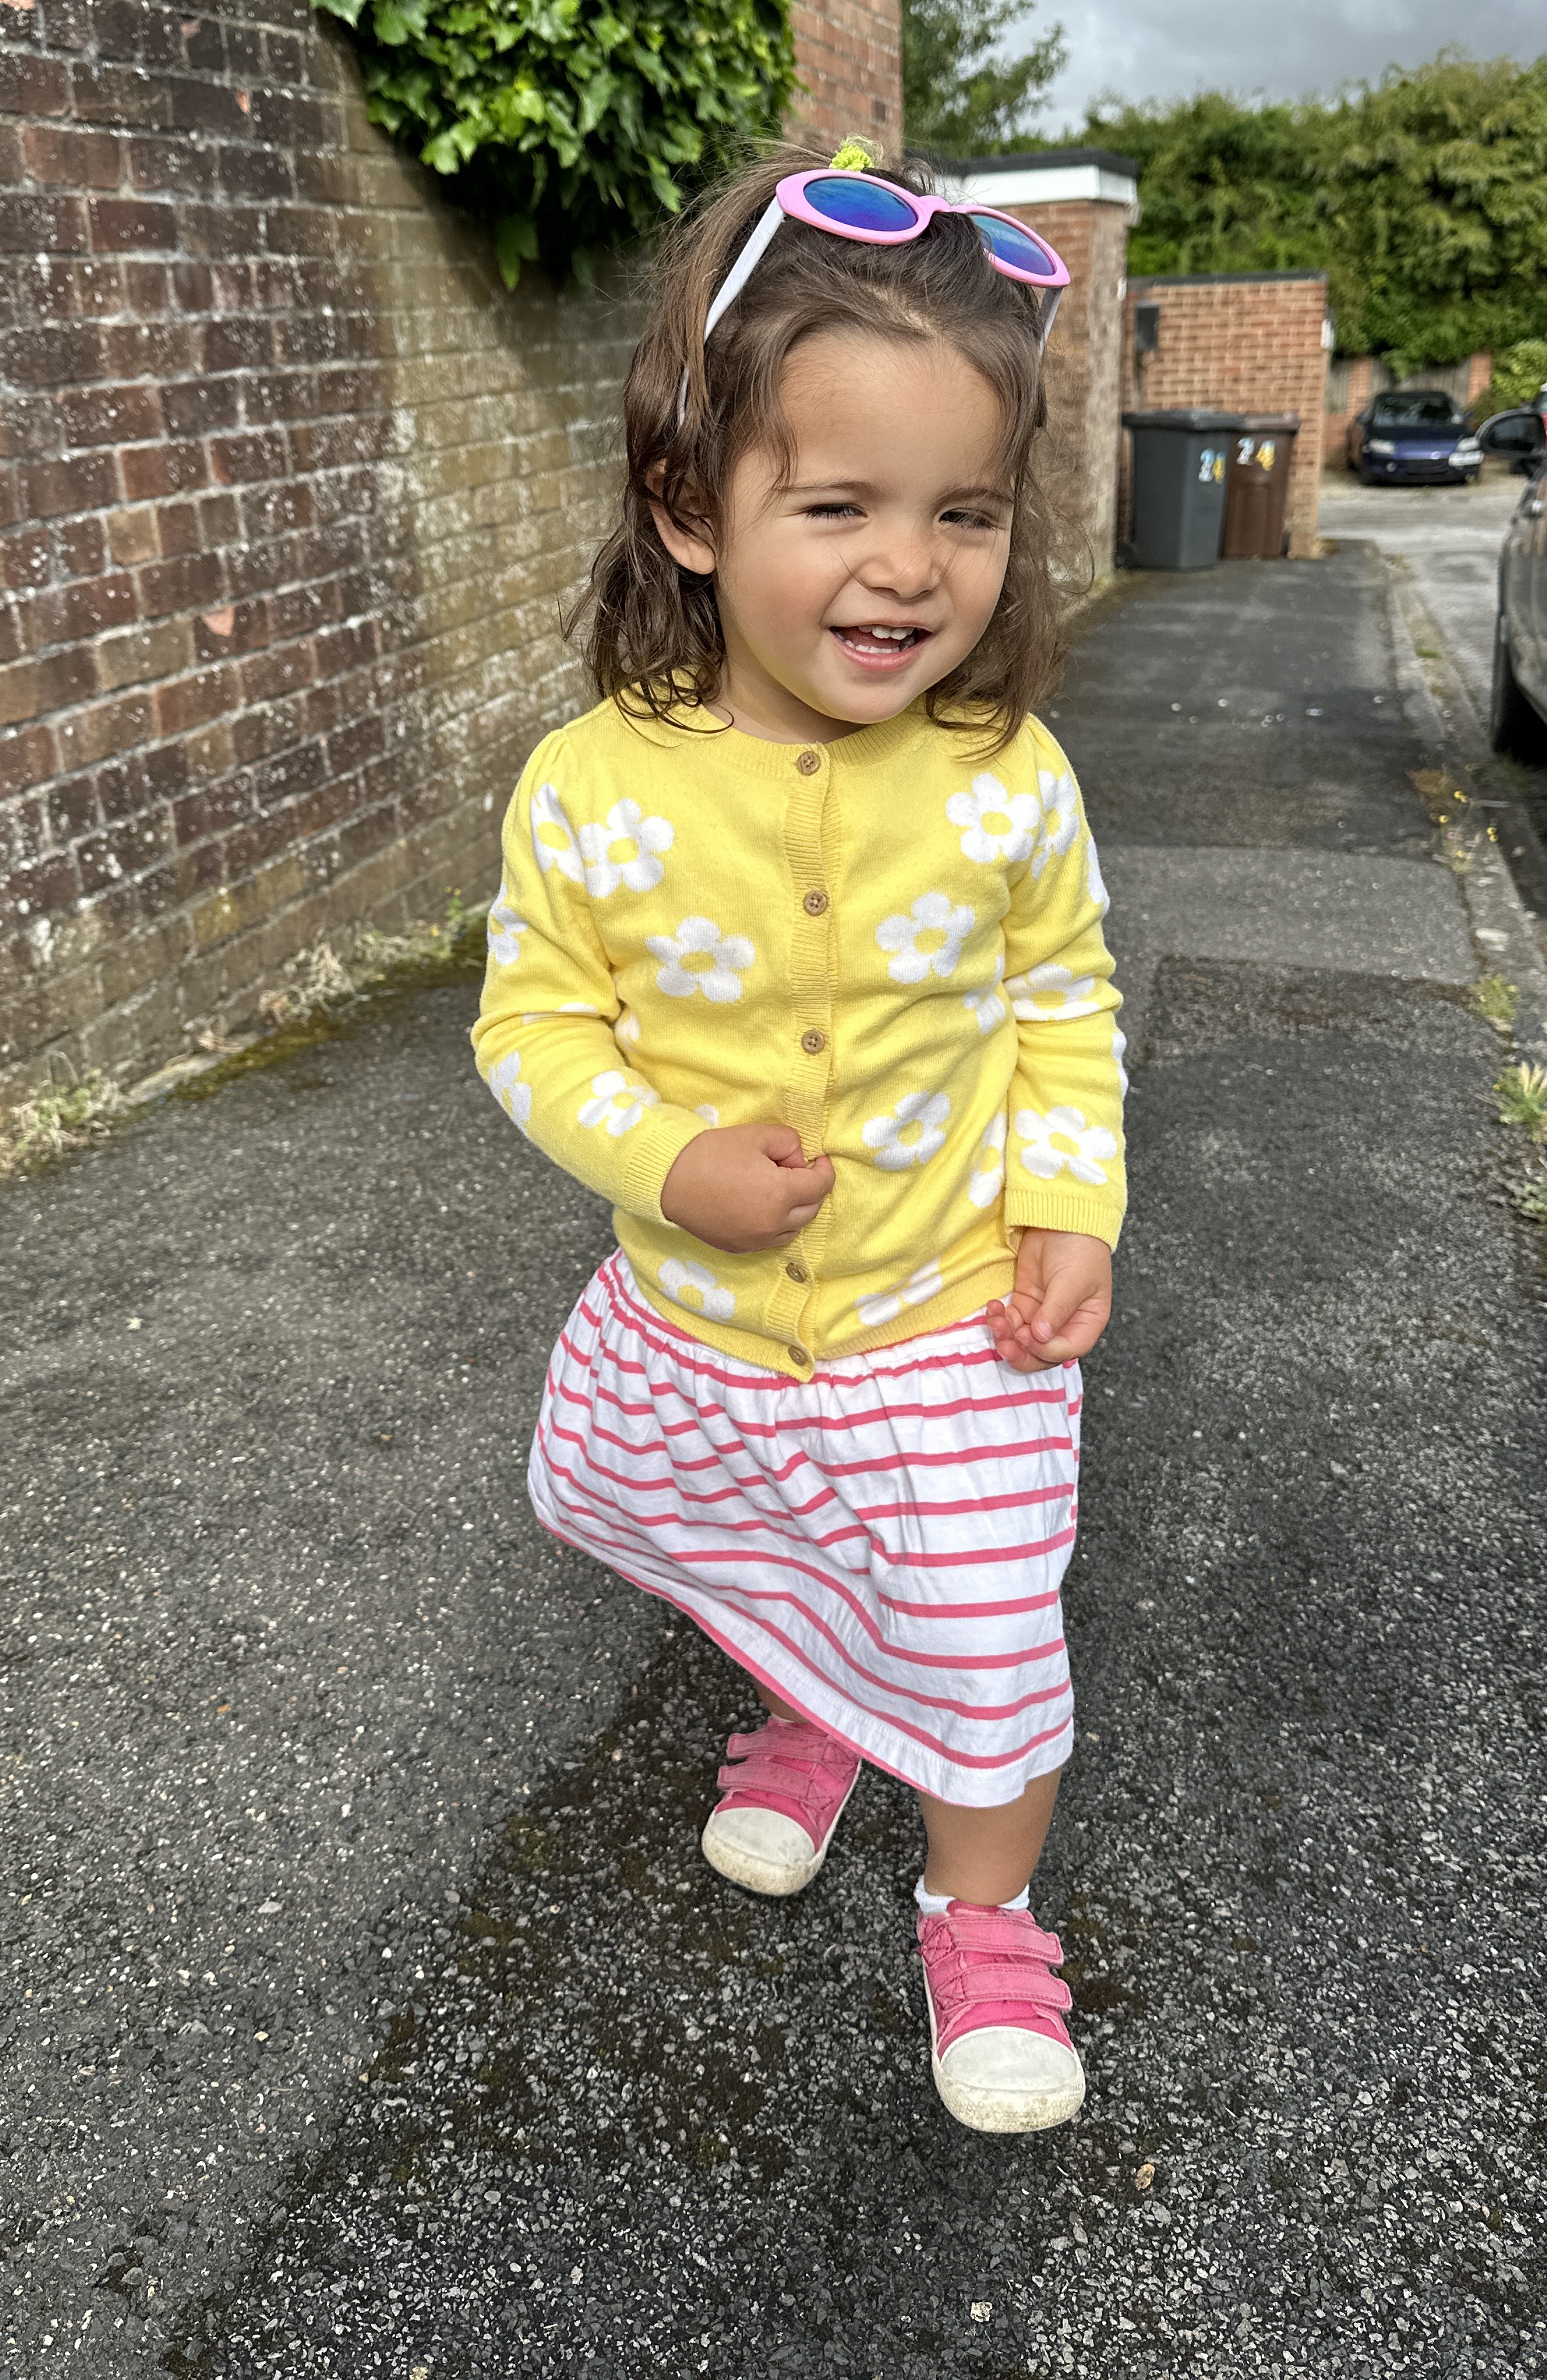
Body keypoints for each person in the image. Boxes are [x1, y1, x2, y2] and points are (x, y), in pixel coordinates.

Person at [471, 142, 1125, 2135]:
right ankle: (817, 1712)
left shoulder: (1009, 776)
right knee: (779, 1546)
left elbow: (1064, 1003)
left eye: (964, 513)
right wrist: (663, 1162)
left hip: (950, 1319)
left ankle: (983, 1913)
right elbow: (532, 1027)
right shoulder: (592, 789)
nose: (909, 567)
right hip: (709, 1320)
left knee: (989, 1630)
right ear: (692, 505)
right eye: (838, 505)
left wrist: (1072, 1203)